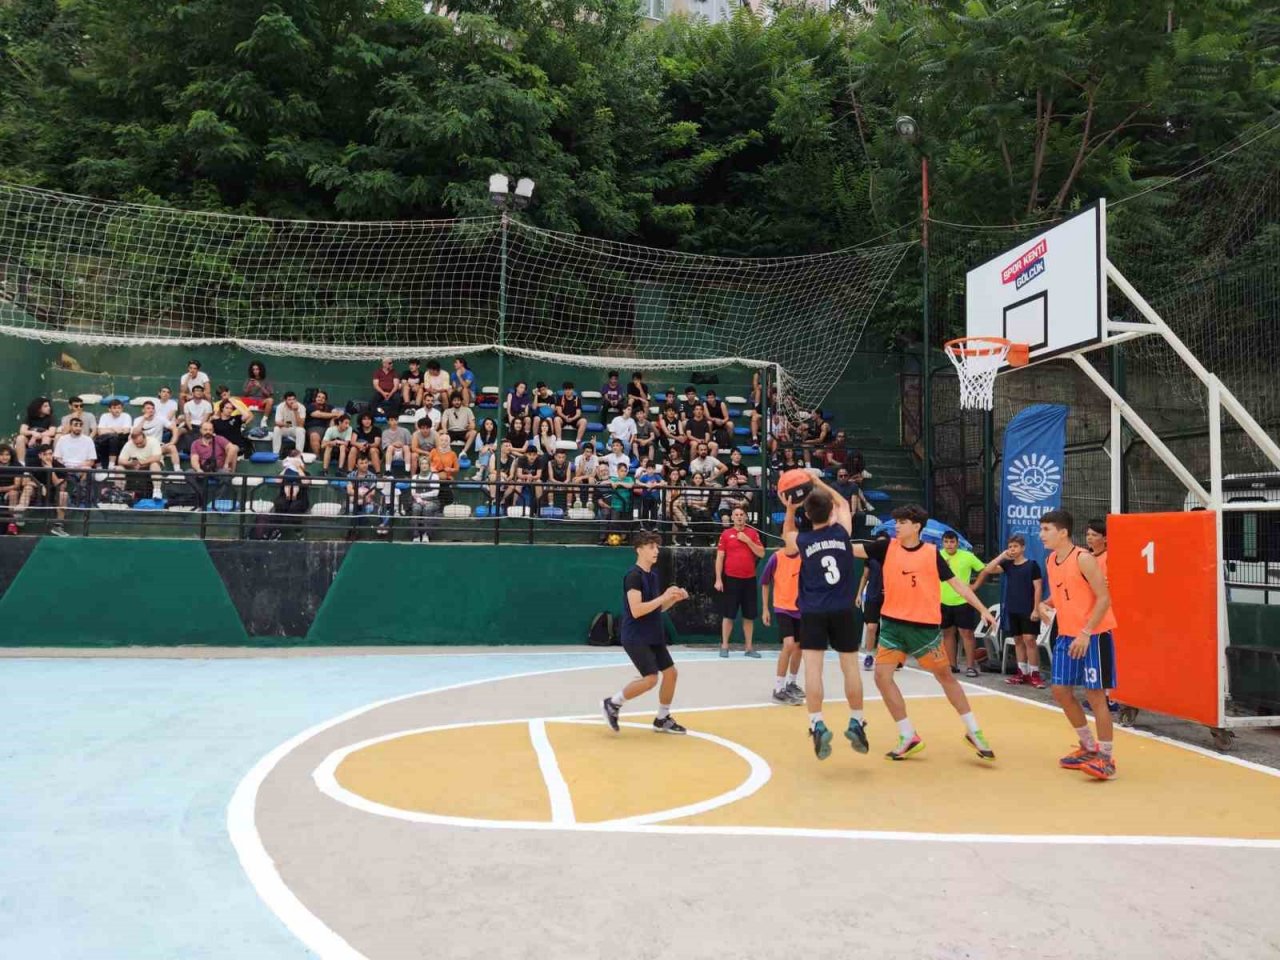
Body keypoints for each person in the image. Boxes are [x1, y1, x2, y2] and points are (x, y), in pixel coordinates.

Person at [853, 503, 996, 761]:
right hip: (893, 625)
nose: (896, 526)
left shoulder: (932, 553)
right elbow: (852, 549)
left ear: (916, 526)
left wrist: (983, 609)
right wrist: (819, 541)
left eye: (902, 522)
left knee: (945, 677)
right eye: (895, 522)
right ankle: (908, 735)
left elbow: (959, 586)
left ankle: (973, 730)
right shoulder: (886, 547)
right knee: (882, 676)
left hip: (924, 629)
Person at [779, 476, 869, 760]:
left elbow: (787, 536)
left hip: (813, 612)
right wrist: (818, 480)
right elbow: (843, 502)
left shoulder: (803, 541)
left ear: (808, 515)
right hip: (843, 610)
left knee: (813, 671)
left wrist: (791, 509)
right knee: (850, 668)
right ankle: (856, 720)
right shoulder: (842, 533)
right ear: (831, 511)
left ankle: (817, 723)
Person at [1040, 510, 1118, 780]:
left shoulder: (1083, 559)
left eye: (1047, 529)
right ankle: (1087, 746)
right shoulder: (1051, 560)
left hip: (1093, 636)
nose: (1042, 535)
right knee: (1061, 690)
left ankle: (1106, 758)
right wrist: (1043, 604)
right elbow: (1063, 592)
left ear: (1062, 532)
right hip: (1067, 635)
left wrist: (1086, 633)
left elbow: (1104, 598)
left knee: (1096, 696)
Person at [601, 531, 692, 735]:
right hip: (636, 636)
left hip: (653, 633)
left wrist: (673, 599)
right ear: (639, 550)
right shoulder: (633, 576)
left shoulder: (652, 575)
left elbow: (656, 608)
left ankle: (662, 718)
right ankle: (612, 703)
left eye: (657, 547)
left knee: (671, 673)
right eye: (651, 547)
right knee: (651, 679)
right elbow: (637, 610)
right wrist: (664, 596)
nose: (656, 551)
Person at [974, 534, 1044, 687]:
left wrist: (1036, 609)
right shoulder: (1008, 565)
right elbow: (988, 569)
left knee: (1029, 640)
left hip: (1028, 609)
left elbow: (1038, 587)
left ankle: (1035, 674)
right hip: (1012, 609)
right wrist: (1002, 556)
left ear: (1023, 548)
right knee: (1018, 641)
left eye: (1016, 546)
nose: (1013, 549)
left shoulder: (1032, 565)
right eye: (1010, 546)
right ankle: (1022, 673)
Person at [715, 507, 764, 658]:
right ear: (732, 518)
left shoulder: (753, 534)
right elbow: (720, 558)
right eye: (736, 515)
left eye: (742, 514)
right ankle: (724, 646)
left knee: (749, 616)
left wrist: (748, 541)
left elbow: (761, 553)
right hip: (731, 579)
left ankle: (749, 648)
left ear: (746, 517)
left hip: (749, 579)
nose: (739, 517)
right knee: (728, 615)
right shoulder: (726, 534)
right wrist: (718, 579)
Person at [939, 531, 988, 678]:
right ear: (942, 543)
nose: (949, 545)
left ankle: (970, 667)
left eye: (952, 542)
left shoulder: (967, 556)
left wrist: (975, 585)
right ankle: (952, 665)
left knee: (966, 633)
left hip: (963, 601)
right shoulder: (938, 556)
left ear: (957, 543)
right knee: (947, 633)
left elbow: (984, 570)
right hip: (943, 601)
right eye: (946, 542)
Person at [760, 547, 805, 704]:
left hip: (801, 608)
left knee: (799, 647)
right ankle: (778, 689)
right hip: (782, 607)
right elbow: (765, 583)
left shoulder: (805, 556)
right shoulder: (776, 557)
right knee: (789, 644)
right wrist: (765, 609)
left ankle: (791, 683)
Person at [856, 532, 890, 670]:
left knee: (889, 629)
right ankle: (869, 655)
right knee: (871, 627)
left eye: (883, 543)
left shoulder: (893, 558)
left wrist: (892, 590)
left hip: (890, 597)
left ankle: (889, 657)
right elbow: (865, 576)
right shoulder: (870, 557)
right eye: (878, 543)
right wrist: (858, 595)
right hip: (872, 595)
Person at [18, 445, 68, 535]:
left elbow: (60, 486)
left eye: (50, 454)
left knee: (63, 495)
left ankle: (58, 527)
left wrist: (51, 470)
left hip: (54, 492)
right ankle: (20, 514)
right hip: (37, 492)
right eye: (45, 454)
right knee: (28, 488)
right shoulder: (32, 464)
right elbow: (24, 482)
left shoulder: (59, 466)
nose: (48, 457)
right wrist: (40, 486)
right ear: (40, 455)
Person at [117, 427, 165, 500]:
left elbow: (157, 457)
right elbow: (120, 460)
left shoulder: (153, 441)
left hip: (150, 466)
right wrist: (130, 463)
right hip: (134, 467)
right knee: (119, 468)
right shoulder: (129, 444)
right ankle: (120, 493)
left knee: (154, 464)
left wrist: (141, 462)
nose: (139, 445)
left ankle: (157, 491)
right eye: (136, 444)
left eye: (141, 443)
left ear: (145, 437)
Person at [16, 398, 56, 464]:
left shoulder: (51, 418)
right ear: (38, 408)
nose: (49, 408)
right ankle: (21, 464)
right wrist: (33, 433)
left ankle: (43, 463)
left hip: (44, 440)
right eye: (45, 406)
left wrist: (36, 437)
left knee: (46, 438)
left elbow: (52, 432)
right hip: (29, 441)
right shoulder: (29, 417)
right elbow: (22, 431)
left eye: (49, 406)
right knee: (20, 438)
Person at [95, 398, 133, 467]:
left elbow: (126, 431)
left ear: (122, 409)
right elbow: (100, 432)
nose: (117, 410)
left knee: (114, 438)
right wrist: (114, 429)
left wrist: (108, 429)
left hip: (121, 439)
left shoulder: (126, 416)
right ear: (109, 409)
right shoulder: (104, 416)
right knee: (100, 440)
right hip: (106, 439)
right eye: (114, 408)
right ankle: (99, 467)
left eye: (119, 408)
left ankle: (111, 465)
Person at [241, 361, 275, 429]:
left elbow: (269, 395)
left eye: (257, 369)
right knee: (236, 400)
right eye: (253, 369)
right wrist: (249, 387)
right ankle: (242, 422)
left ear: (261, 370)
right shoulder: (248, 380)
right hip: (250, 400)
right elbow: (244, 394)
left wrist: (260, 387)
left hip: (261, 401)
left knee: (270, 400)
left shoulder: (266, 380)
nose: (255, 371)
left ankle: (264, 421)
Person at [272, 391, 307, 456]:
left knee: (301, 430)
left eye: (294, 399)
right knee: (276, 429)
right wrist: (288, 424)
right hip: (285, 428)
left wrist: (296, 411)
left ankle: (298, 455)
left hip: (296, 429)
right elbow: (277, 422)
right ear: (285, 400)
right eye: (289, 399)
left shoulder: (301, 407)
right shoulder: (280, 406)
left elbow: (301, 425)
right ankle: (275, 454)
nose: (292, 401)